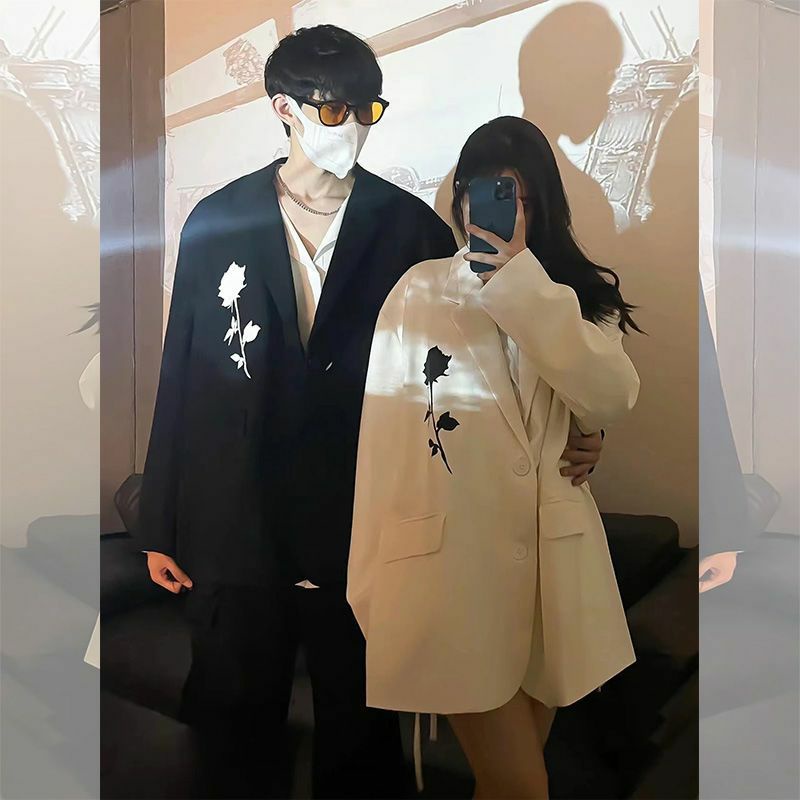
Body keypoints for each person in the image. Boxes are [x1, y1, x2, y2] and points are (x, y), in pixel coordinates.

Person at [136, 25, 606, 797]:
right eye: (333, 110)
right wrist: (162, 519)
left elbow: (482, 373)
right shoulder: (216, 221)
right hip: (236, 521)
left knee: (361, 750)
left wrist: (584, 424)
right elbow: (183, 369)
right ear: (283, 108)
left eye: (367, 108)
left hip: (365, 524)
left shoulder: (409, 229)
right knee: (231, 738)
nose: (352, 124)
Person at [348, 116, 641, 799]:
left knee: (506, 785)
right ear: (460, 202)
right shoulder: (419, 291)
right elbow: (383, 441)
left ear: (545, 204)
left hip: (553, 577)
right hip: (451, 578)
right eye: (484, 194)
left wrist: (522, 288)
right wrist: (369, 577)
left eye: (520, 198)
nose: (504, 214)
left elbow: (609, 398)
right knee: (521, 788)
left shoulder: (577, 299)